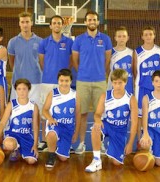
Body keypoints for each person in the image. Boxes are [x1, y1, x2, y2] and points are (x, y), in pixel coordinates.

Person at [72, 11, 112, 154]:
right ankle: (82, 143)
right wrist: (82, 71)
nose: (92, 21)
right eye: (89, 19)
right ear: (85, 22)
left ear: (98, 21)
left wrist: (101, 72)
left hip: (100, 81)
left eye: (94, 19)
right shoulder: (79, 40)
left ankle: (99, 144)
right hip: (82, 81)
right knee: (82, 114)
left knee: (99, 114)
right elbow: (75, 60)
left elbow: (107, 60)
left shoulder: (106, 39)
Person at [85, 69, 138, 172]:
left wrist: (130, 143)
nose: (117, 86)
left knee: (116, 164)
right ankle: (96, 160)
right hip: (107, 125)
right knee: (95, 128)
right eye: (115, 83)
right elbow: (97, 114)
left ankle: (112, 147)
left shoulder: (131, 99)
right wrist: (97, 120)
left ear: (125, 82)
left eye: (120, 83)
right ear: (112, 83)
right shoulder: (105, 95)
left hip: (120, 131)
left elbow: (134, 123)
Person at [37, 15, 74, 152]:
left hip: (63, 83)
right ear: (50, 26)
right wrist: (49, 72)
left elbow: (71, 61)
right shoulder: (44, 43)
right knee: (44, 113)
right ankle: (44, 140)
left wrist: (64, 76)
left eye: (59, 23)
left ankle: (65, 141)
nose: (57, 25)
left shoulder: (69, 42)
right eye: (54, 23)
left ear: (62, 25)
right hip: (47, 81)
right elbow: (42, 62)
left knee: (65, 113)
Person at [0, 78, 39, 164]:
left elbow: (35, 126)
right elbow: (2, 123)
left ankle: (20, 149)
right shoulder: (11, 104)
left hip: (26, 136)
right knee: (9, 144)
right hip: (13, 134)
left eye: (24, 89)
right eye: (19, 89)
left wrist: (35, 145)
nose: (22, 92)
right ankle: (15, 149)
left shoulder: (33, 106)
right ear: (16, 90)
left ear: (29, 89)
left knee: (31, 161)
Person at [42, 69, 81, 168]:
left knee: (63, 158)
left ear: (71, 81)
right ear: (58, 81)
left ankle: (58, 144)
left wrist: (76, 133)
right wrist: (50, 119)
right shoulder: (53, 93)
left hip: (68, 128)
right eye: (61, 80)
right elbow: (44, 110)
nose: (64, 83)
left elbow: (78, 115)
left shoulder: (75, 95)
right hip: (55, 125)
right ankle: (51, 155)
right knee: (51, 134)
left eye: (66, 81)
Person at [133, 26, 160, 149]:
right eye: (145, 34)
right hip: (141, 88)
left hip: (155, 88)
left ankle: (153, 140)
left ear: (154, 35)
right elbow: (135, 71)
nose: (148, 37)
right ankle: (140, 141)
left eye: (150, 34)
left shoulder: (159, 51)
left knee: (153, 114)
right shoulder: (137, 52)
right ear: (142, 36)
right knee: (139, 116)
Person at [7, 12, 42, 106]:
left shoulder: (40, 41)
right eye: (22, 22)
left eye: (27, 22)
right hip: (18, 81)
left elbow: (43, 62)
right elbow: (11, 62)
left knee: (36, 111)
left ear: (32, 23)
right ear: (19, 23)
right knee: (16, 110)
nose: (25, 24)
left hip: (36, 81)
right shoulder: (12, 42)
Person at [107, 26, 134, 94]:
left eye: (124, 36)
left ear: (128, 38)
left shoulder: (132, 53)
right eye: (119, 36)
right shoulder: (110, 52)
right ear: (115, 38)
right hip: (113, 87)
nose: (121, 38)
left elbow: (135, 71)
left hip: (128, 87)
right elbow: (106, 69)